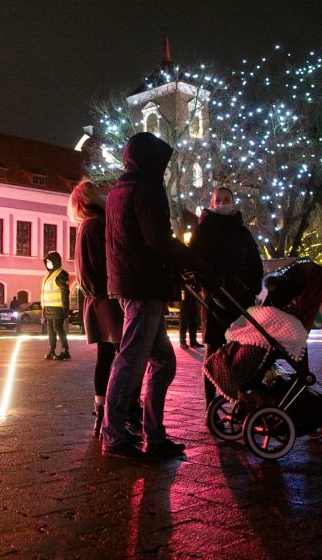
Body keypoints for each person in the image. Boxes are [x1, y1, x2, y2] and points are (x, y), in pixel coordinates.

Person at [102, 132, 210, 459]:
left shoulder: (118, 190)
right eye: (162, 163)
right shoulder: (147, 188)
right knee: (132, 361)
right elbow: (157, 239)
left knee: (162, 361)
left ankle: (154, 434)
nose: (164, 169)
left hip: (131, 282)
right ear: (151, 160)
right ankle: (114, 435)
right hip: (144, 285)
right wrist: (196, 262)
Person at [188, 185, 263, 409]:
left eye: (226, 198)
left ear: (233, 201)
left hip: (241, 298)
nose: (222, 202)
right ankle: (210, 404)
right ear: (212, 203)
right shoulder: (203, 231)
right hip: (214, 299)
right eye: (218, 199)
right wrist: (209, 283)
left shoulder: (242, 233)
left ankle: (243, 400)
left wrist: (251, 288)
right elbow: (195, 261)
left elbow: (255, 264)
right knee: (213, 350)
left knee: (243, 351)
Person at [69, 179, 130, 435]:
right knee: (126, 357)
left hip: (96, 300)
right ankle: (119, 413)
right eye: (96, 190)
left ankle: (101, 412)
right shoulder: (99, 224)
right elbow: (110, 261)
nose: (104, 193)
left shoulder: (86, 225)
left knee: (106, 357)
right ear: (87, 199)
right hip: (108, 299)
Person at [41, 251, 71, 360]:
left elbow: (65, 292)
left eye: (49, 261)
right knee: (50, 330)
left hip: (58, 308)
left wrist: (65, 308)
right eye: (47, 261)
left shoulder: (61, 274)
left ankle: (65, 350)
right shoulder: (48, 276)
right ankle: (51, 350)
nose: (48, 263)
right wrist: (43, 310)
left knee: (57, 328)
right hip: (48, 308)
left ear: (56, 261)